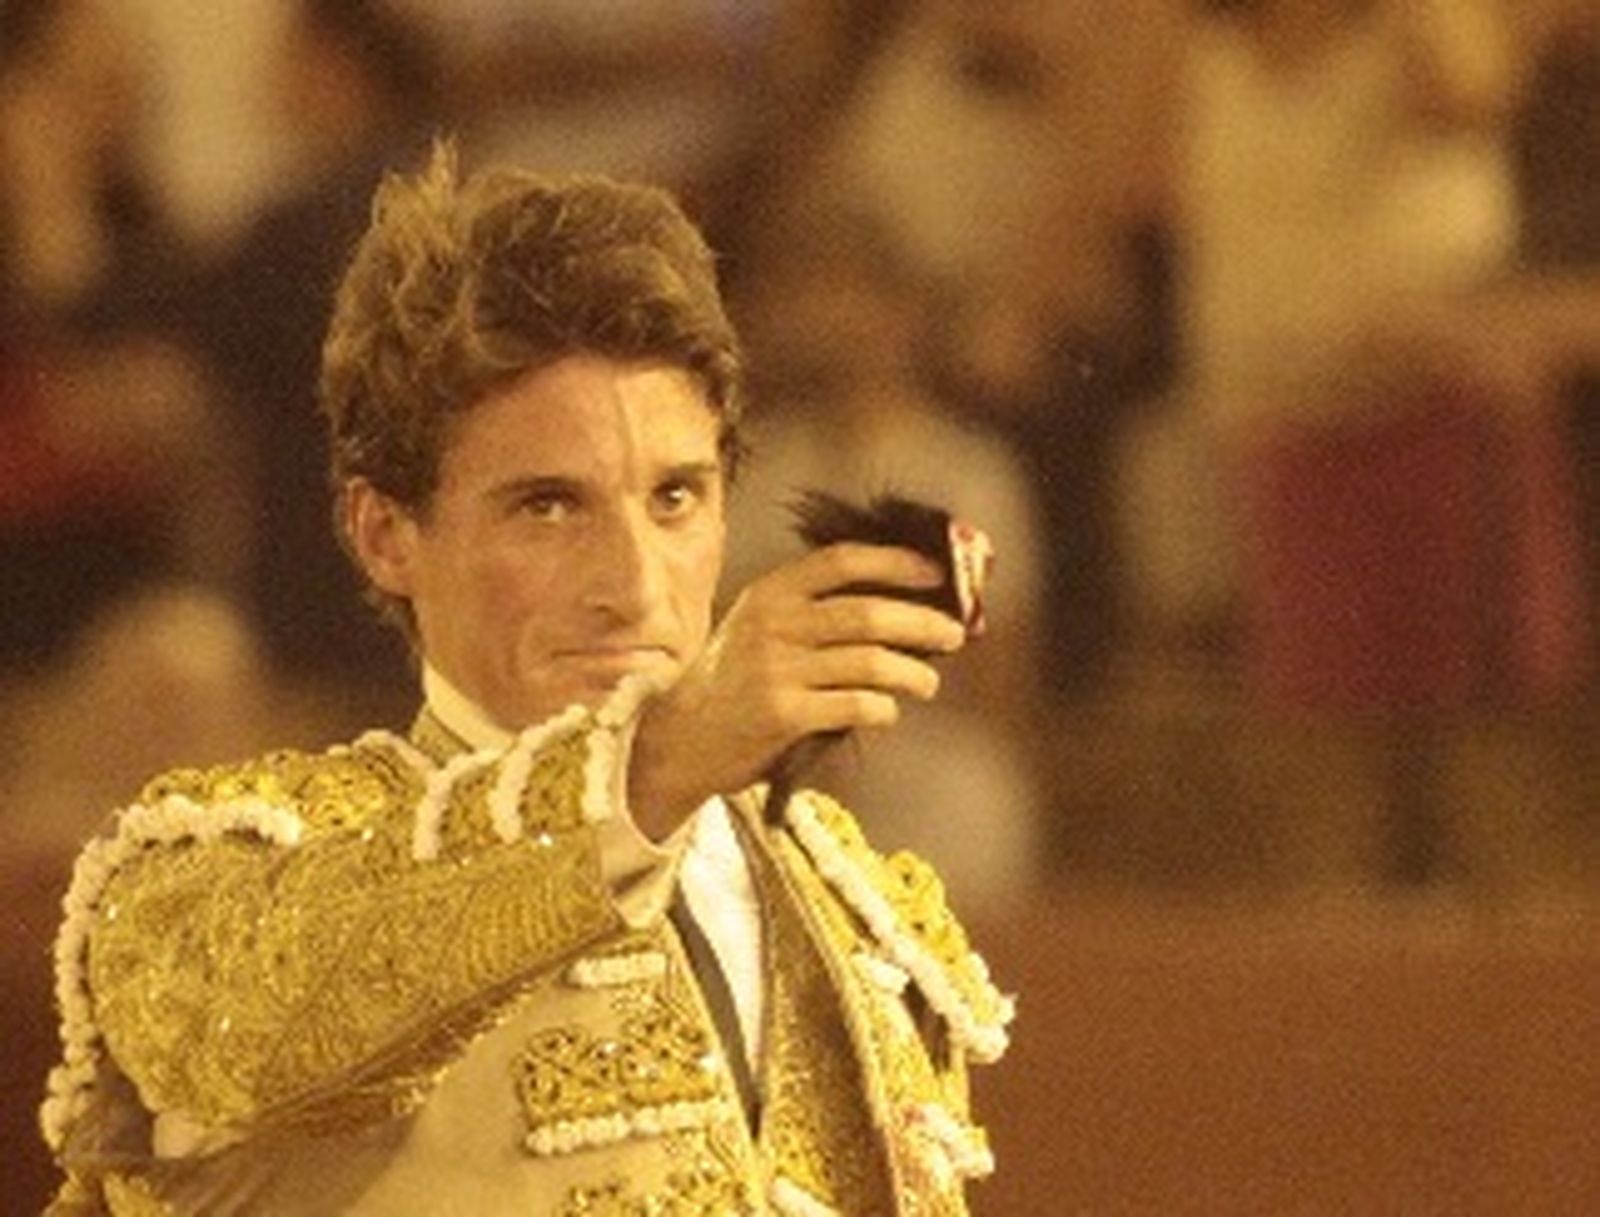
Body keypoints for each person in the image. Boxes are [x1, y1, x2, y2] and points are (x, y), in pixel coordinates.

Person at [40, 144, 1014, 1215]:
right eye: (547, 506)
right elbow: (263, 1023)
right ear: (383, 534)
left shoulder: (853, 911)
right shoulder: (220, 878)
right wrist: (646, 769)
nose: (632, 583)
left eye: (676, 497)